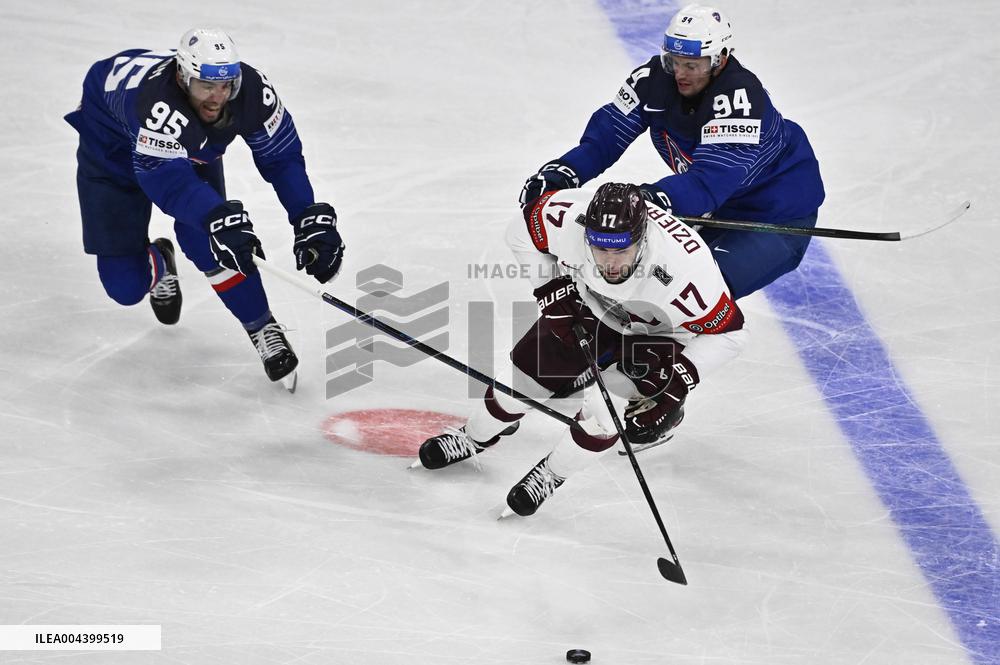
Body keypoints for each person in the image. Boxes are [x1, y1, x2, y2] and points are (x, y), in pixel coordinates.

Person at [414, 183, 747, 517]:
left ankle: (550, 474)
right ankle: (473, 437)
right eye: (600, 249)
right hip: (588, 307)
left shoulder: (687, 274)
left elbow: (730, 335)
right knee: (521, 384)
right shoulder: (568, 216)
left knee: (605, 414)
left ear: (643, 238)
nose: (609, 262)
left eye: (621, 251)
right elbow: (520, 230)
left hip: (656, 332)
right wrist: (551, 290)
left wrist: (676, 383)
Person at [65, 28, 345, 388]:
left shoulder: (252, 91)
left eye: (226, 84)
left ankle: (261, 326)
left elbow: (282, 156)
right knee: (125, 287)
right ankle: (160, 262)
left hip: (182, 145)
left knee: (206, 240)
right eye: (206, 86)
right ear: (182, 77)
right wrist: (217, 217)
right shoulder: (158, 103)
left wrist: (307, 214)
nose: (217, 97)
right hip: (111, 150)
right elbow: (166, 179)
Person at [518, 4, 824, 301]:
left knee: (698, 292)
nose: (680, 73)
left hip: (775, 214)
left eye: (692, 65)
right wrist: (563, 172)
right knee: (639, 279)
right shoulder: (654, 79)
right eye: (674, 61)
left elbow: (709, 181)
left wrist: (653, 197)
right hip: (714, 206)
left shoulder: (740, 98)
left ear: (720, 59)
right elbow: (606, 138)